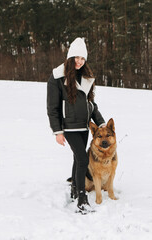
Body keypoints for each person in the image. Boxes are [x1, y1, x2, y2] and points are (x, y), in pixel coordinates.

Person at [47, 37, 106, 213]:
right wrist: (57, 131)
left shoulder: (87, 77)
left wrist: (100, 122)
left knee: (76, 159)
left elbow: (91, 105)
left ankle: (74, 190)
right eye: (76, 58)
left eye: (82, 58)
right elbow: (53, 107)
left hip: (84, 126)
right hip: (69, 127)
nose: (79, 62)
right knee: (82, 159)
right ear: (69, 57)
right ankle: (81, 199)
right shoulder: (57, 77)